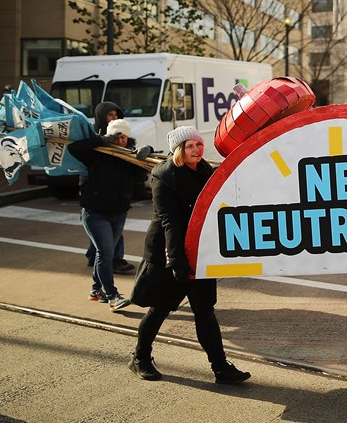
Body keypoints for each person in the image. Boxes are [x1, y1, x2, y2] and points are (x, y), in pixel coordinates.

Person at [128, 126, 251, 384]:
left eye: (199, 144)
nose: (197, 149)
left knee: (205, 312)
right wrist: (177, 262)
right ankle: (140, 357)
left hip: (199, 251)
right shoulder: (163, 176)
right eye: (190, 146)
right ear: (178, 150)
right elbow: (169, 222)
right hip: (169, 252)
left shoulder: (206, 171)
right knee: (160, 309)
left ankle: (221, 368)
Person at [69, 118, 144, 311]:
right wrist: (101, 141)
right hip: (94, 212)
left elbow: (139, 179)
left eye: (123, 137)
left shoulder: (129, 156)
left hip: (119, 212)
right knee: (105, 253)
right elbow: (74, 148)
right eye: (116, 136)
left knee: (105, 252)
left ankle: (96, 290)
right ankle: (112, 295)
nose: (120, 140)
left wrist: (144, 157)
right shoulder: (97, 154)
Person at [85, 101, 136, 276]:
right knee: (104, 231)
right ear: (101, 117)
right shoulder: (93, 137)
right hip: (96, 194)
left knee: (108, 232)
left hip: (118, 199)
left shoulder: (123, 139)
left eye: (116, 115)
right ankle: (113, 260)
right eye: (110, 115)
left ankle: (96, 256)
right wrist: (101, 141)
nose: (114, 118)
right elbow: (79, 150)